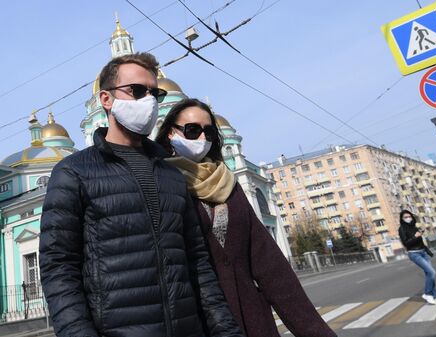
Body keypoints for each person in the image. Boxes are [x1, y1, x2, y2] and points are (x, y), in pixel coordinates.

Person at [39, 53, 244, 337]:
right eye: (136, 91)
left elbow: (198, 264)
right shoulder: (74, 172)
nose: (149, 101)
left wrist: (226, 331)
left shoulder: (171, 176)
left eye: (154, 93)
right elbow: (58, 268)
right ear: (106, 100)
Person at [155, 98, 337, 337]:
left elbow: (270, 265)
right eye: (192, 130)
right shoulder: (159, 183)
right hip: (197, 323)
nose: (201, 138)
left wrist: (316, 332)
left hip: (252, 321)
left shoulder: (228, 185)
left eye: (208, 132)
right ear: (170, 133)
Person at [398, 210, 436, 305]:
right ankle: (427, 293)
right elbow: (406, 243)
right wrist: (415, 237)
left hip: (423, 252)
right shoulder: (402, 229)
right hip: (414, 253)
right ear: (402, 219)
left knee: (430, 275)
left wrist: (428, 251)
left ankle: (435, 297)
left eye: (409, 216)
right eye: (405, 217)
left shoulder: (414, 227)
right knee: (432, 272)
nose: (408, 218)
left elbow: (420, 242)